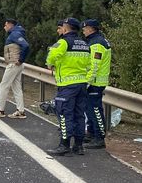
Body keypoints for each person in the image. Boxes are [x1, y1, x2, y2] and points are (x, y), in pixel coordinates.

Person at [46, 18, 91, 156]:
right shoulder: (84, 44)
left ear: (66, 28)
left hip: (67, 85)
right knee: (79, 115)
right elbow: (89, 64)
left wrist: (50, 64)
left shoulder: (63, 42)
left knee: (65, 114)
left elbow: (52, 55)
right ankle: (79, 146)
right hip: (82, 84)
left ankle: (64, 145)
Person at [83, 19, 112, 149]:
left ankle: (99, 138)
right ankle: (91, 133)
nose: (83, 31)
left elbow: (94, 65)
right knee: (90, 109)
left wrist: (87, 82)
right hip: (95, 81)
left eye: (84, 28)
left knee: (95, 110)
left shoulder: (97, 43)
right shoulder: (97, 40)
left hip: (95, 82)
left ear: (90, 29)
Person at [0, 18, 30, 118]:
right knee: (16, 87)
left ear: (10, 24)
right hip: (17, 64)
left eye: (5, 25)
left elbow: (26, 46)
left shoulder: (15, 34)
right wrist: (21, 60)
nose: (4, 27)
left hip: (14, 64)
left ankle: (0, 110)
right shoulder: (17, 33)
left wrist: (20, 60)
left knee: (4, 85)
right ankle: (20, 111)